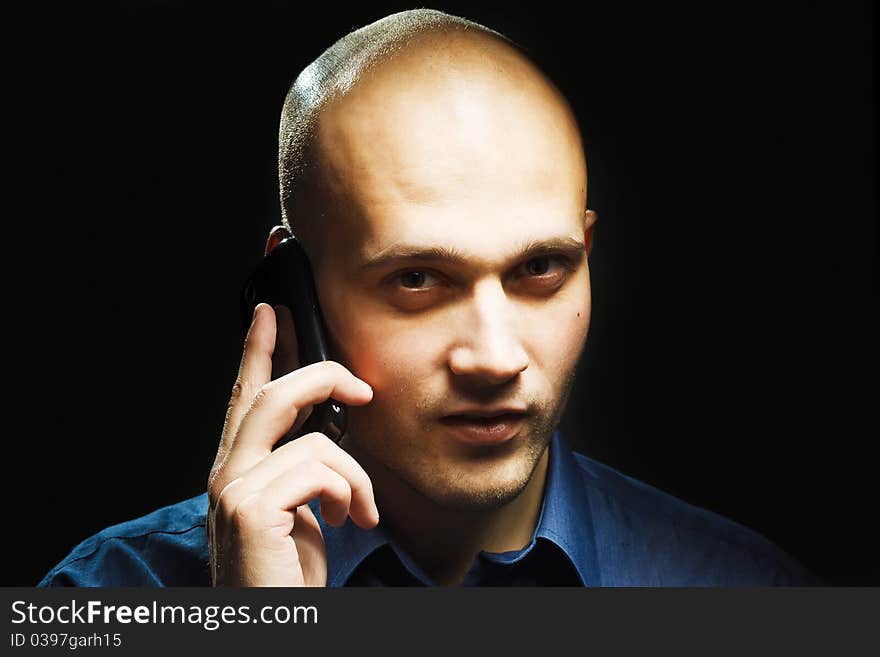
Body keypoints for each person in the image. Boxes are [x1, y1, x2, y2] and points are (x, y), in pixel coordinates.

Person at [39, 9, 817, 587]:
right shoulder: (109, 594)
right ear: (293, 287)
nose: (495, 358)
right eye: (417, 278)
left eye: (541, 267)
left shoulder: (753, 591)